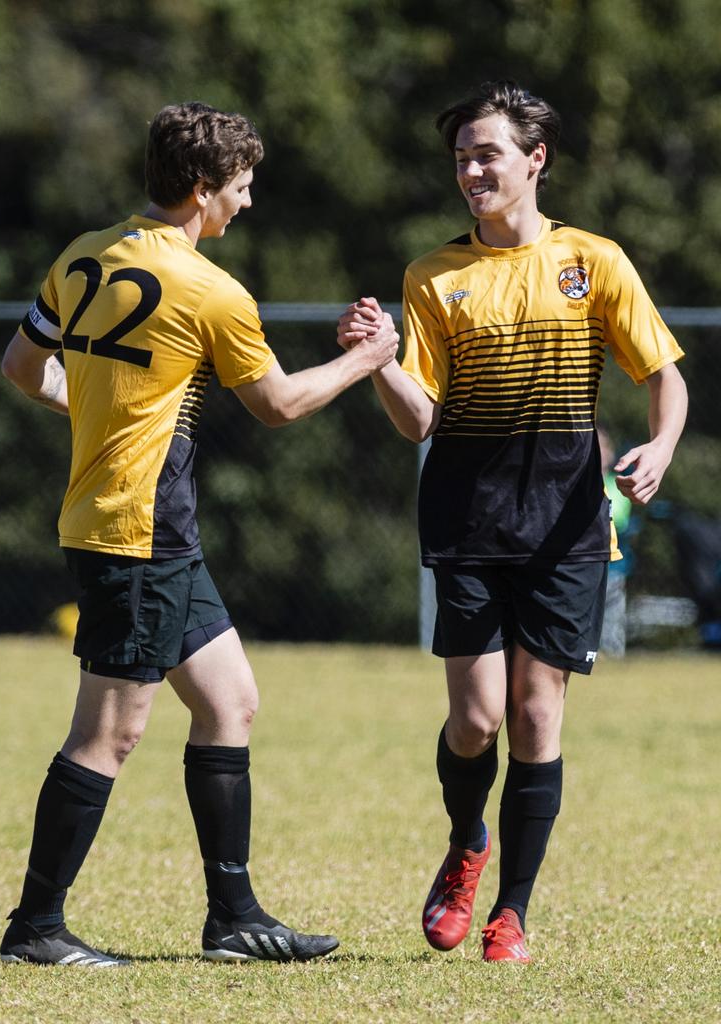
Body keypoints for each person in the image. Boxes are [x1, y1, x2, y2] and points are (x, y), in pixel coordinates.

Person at [0, 101, 398, 967]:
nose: (245, 205)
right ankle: (34, 928)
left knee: (230, 702)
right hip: (133, 533)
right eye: (241, 188)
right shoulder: (210, 289)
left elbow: (21, 367)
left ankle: (234, 919)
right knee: (109, 733)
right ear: (199, 189)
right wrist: (370, 361)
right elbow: (281, 405)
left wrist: (92, 412)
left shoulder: (83, 253)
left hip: (144, 529)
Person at [338, 80, 687, 964]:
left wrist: (661, 445)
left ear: (535, 161)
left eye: (487, 152)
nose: (471, 169)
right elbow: (419, 418)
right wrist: (379, 360)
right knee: (477, 721)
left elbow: (663, 376)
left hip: (568, 525)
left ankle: (512, 912)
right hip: (466, 519)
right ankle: (466, 843)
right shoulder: (433, 275)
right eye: (461, 155)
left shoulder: (594, 260)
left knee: (536, 718)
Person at [597, 425, 634, 657]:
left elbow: (618, 517)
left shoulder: (616, 485)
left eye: (602, 447)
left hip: (613, 569)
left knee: (611, 618)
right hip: (579, 567)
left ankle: (611, 655)